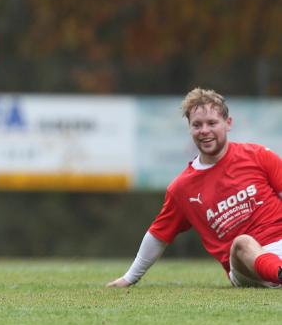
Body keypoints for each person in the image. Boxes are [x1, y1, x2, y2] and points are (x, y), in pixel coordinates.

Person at [108, 88, 282, 289]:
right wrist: (129, 278)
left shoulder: (258, 155)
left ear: (228, 123)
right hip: (246, 266)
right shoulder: (182, 188)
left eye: (212, 123)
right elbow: (158, 236)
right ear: (189, 129)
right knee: (242, 243)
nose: (204, 131)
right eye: (197, 125)